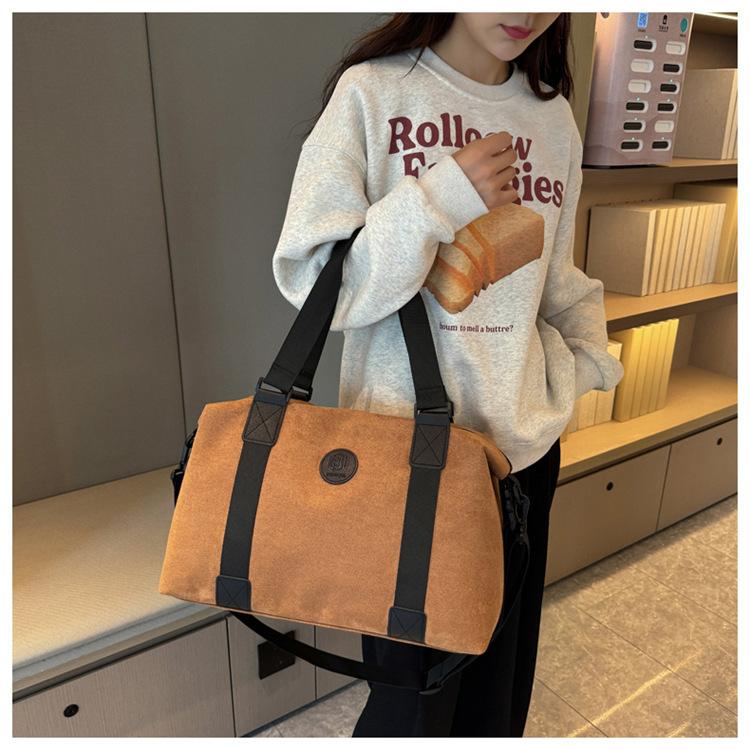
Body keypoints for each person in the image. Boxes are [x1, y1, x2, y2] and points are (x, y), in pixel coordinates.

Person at [271, 12, 624, 737]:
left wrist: (585, 361)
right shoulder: (372, 94)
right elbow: (316, 285)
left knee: (499, 697)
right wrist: (441, 196)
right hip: (406, 466)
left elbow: (555, 280)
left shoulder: (552, 119)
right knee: (414, 706)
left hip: (520, 461)